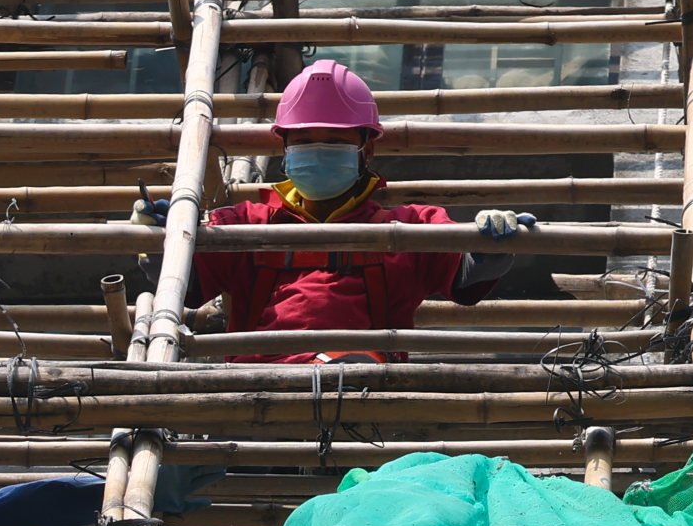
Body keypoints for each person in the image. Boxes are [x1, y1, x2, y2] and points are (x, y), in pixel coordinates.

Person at [147, 60, 538, 358]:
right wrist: (156, 241)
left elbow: (465, 277)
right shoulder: (245, 224)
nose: (318, 152)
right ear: (285, 148)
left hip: (362, 398)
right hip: (257, 394)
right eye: (305, 142)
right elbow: (186, 284)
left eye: (334, 141)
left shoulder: (409, 228)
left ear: (366, 149)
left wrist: (492, 247)